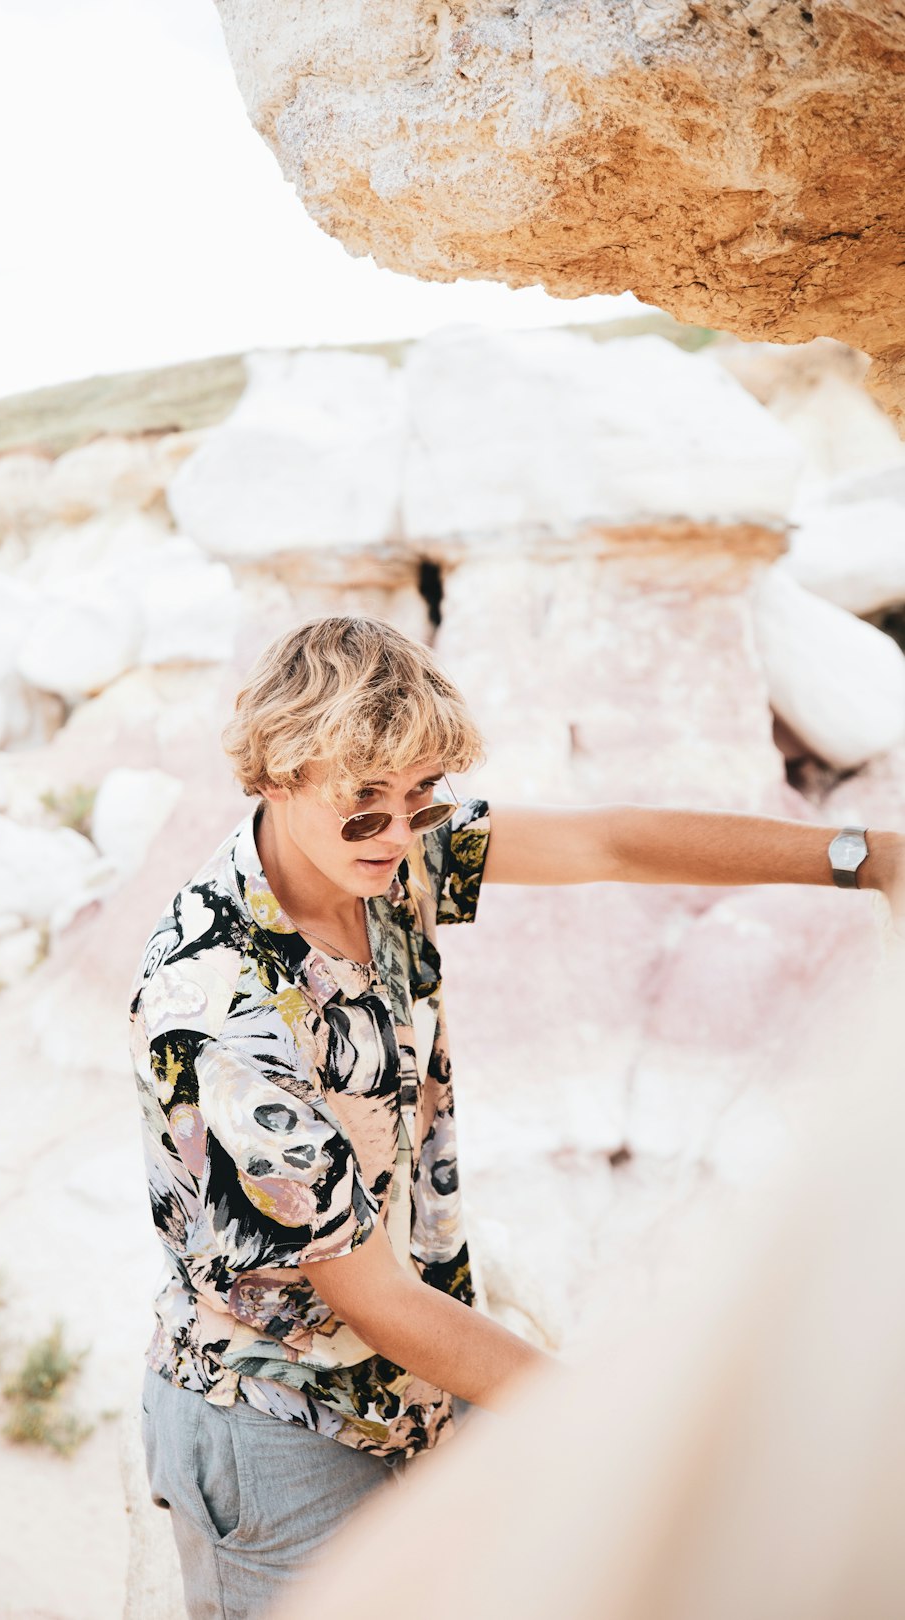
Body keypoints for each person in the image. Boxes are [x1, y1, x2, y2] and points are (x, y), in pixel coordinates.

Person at [128, 614, 902, 1620]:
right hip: (278, 1431)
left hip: (411, 1384)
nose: (402, 834)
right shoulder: (216, 1005)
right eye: (366, 806)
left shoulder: (380, 850)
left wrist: (868, 854)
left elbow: (608, 840)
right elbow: (376, 1300)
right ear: (276, 773)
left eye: (421, 800)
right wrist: (611, 1423)